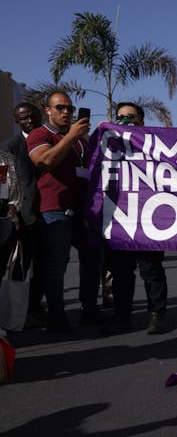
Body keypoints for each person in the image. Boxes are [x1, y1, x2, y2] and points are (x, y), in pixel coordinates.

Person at [26, 91, 103, 332]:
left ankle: (90, 310)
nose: (66, 112)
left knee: (92, 260)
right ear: (47, 110)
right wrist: (70, 137)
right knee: (56, 264)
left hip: (83, 210)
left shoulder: (82, 139)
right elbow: (44, 162)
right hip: (54, 210)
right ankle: (57, 317)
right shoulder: (41, 134)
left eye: (69, 108)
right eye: (60, 108)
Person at [102, 103, 170, 335]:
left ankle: (157, 315)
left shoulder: (155, 146)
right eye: (120, 117)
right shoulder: (107, 147)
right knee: (121, 272)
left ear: (141, 122)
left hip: (149, 218)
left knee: (151, 270)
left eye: (131, 117)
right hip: (121, 219)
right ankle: (122, 316)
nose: (125, 121)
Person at [9, 103, 43, 327]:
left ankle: (36, 306)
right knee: (22, 268)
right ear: (17, 121)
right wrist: (13, 213)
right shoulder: (9, 148)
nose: (29, 121)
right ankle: (20, 313)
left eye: (32, 116)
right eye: (24, 118)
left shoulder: (52, 141)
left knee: (45, 266)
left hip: (52, 212)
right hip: (24, 218)